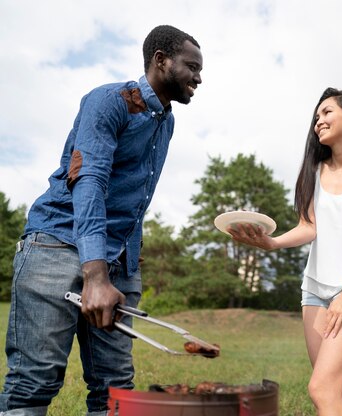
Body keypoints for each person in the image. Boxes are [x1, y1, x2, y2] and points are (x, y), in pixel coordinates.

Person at [0, 25, 203, 416]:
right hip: (55, 247)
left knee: (115, 390)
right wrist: (95, 276)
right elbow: (88, 179)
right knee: (33, 383)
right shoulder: (108, 101)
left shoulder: (167, 122)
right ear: (161, 61)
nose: (199, 77)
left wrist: (126, 261)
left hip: (115, 263)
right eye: (191, 66)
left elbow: (137, 198)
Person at [228, 87, 342, 415]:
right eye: (316, 117)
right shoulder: (316, 171)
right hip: (314, 290)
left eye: (327, 113)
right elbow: (309, 227)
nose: (318, 122)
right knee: (331, 387)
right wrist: (271, 242)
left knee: (321, 387)